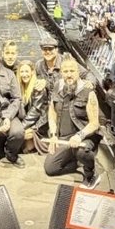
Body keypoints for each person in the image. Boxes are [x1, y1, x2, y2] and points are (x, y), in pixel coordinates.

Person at [44, 58, 102, 189]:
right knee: (50, 168)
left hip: (85, 137)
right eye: (65, 71)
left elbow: (94, 124)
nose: (69, 74)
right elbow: (52, 113)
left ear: (78, 72)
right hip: (64, 138)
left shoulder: (89, 92)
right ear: (61, 73)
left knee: (81, 151)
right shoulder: (57, 87)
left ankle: (91, 173)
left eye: (72, 71)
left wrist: (79, 136)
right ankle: (77, 160)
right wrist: (53, 135)